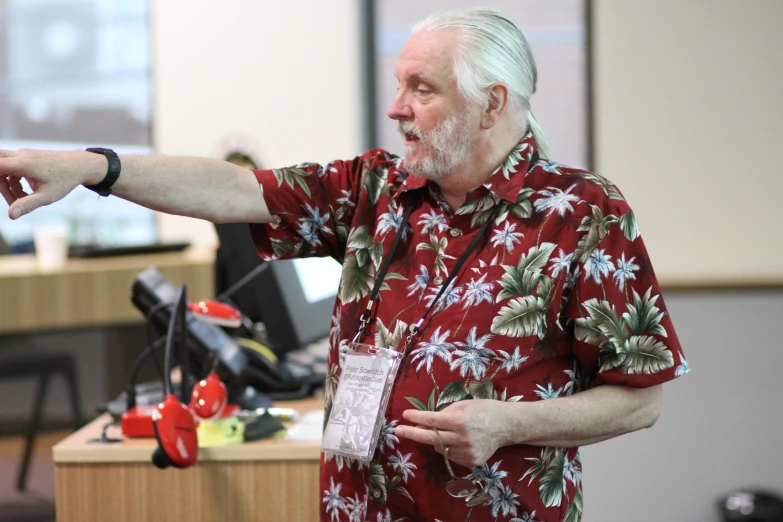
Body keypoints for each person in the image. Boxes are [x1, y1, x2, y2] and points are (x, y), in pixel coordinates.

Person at [0, 7, 689, 522]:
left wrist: (510, 426)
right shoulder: (375, 189)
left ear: (491, 103)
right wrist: (94, 167)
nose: (397, 108)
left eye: (422, 88)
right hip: (355, 507)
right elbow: (234, 189)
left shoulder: (580, 212)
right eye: (398, 85)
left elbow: (640, 398)